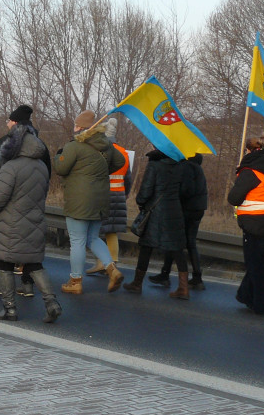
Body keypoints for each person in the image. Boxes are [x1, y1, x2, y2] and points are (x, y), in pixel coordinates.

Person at [0, 122, 60, 323]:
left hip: (9, 223)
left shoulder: (11, 167)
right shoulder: (42, 167)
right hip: (35, 222)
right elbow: (42, 195)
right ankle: (51, 302)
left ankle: (9, 309)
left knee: (4, 264)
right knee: (34, 264)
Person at [53, 110, 125, 294]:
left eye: (76, 125)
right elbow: (120, 161)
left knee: (77, 240)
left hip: (79, 200)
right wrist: (100, 172)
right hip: (100, 199)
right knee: (93, 238)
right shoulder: (106, 144)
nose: (74, 128)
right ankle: (112, 269)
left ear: (81, 127)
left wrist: (58, 155)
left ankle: (75, 281)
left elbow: (60, 168)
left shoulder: (75, 146)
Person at [0, 105, 47, 296]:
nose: (7, 123)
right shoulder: (40, 145)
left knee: (3, 246)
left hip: (8, 200)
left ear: (15, 123)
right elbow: (47, 173)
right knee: (31, 245)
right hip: (35, 199)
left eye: (9, 120)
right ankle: (28, 285)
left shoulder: (6, 143)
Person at [229, 133, 264, 316]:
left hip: (256, 224)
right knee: (262, 262)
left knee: (256, 265)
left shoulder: (250, 172)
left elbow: (234, 198)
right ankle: (245, 295)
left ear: (248, 150)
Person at [122, 146, 190, 297]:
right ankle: (183, 288)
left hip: (155, 212)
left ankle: (137, 283)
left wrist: (141, 202)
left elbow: (146, 190)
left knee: (146, 247)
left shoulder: (154, 165)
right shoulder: (181, 166)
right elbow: (185, 191)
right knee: (177, 248)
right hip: (175, 210)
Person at [148, 153, 208, 290]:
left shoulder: (185, 167)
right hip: (198, 208)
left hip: (186, 208)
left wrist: (175, 196)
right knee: (190, 242)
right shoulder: (198, 168)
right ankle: (197, 277)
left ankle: (165, 275)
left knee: (174, 240)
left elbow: (186, 190)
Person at [88, 119, 130, 275]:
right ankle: (113, 262)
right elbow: (128, 178)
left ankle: (103, 263)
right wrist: (125, 195)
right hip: (119, 194)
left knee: (96, 230)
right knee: (112, 231)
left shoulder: (101, 151)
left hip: (103, 194)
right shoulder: (123, 152)